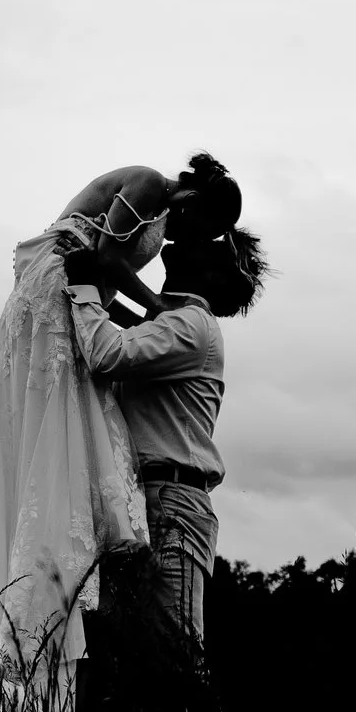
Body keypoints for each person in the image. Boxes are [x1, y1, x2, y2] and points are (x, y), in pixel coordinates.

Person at [0, 157, 237, 712]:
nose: (184, 234)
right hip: (64, 289)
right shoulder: (150, 184)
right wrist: (145, 305)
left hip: (76, 300)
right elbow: (101, 266)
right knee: (58, 447)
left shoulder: (192, 326)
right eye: (196, 221)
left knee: (54, 454)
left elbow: (109, 311)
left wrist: (138, 306)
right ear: (196, 199)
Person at [63, 157, 266, 670]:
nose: (171, 243)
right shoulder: (172, 325)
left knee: (175, 661)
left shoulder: (190, 327)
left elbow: (109, 353)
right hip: (145, 502)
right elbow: (122, 330)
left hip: (172, 505)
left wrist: (86, 291)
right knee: (130, 660)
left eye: (191, 244)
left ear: (207, 269)